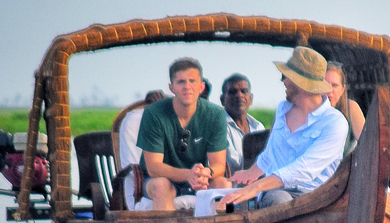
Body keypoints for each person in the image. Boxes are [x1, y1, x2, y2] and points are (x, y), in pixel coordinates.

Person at [221, 47, 348, 209]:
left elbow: (304, 168)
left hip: (317, 196)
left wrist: (257, 187)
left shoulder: (335, 123)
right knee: (276, 199)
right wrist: (250, 175)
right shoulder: (283, 109)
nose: (284, 81)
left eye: (287, 77)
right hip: (278, 191)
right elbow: (271, 154)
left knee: (279, 202)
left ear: (302, 85)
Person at [137, 57, 230, 210]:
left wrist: (206, 172)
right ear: (171, 87)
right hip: (159, 179)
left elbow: (219, 165)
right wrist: (188, 174)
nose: (187, 87)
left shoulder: (215, 114)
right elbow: (153, 167)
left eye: (192, 81)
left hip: (197, 180)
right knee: (161, 185)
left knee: (223, 184)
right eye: (181, 82)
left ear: (201, 87)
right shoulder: (153, 114)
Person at [220, 73, 265, 174]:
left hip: (260, 184)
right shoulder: (218, 126)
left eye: (244, 91)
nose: (239, 95)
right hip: (231, 186)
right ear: (223, 100)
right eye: (232, 92)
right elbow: (232, 163)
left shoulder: (258, 126)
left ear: (251, 98)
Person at [325, 61, 365, 152]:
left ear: (342, 89)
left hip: (344, 164)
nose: (330, 90)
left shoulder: (350, 107)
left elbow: (366, 143)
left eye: (334, 85)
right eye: (326, 85)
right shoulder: (311, 109)